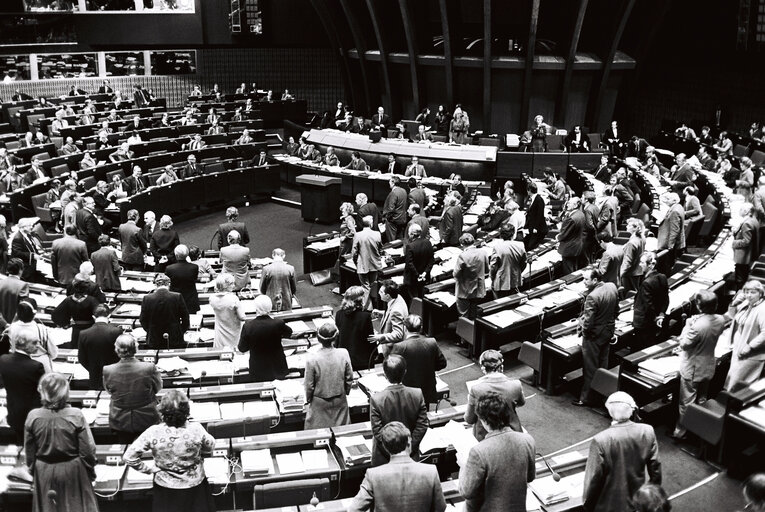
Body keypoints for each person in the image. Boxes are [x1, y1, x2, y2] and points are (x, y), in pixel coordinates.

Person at [123, 390, 216, 512]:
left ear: (162, 411)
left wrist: (148, 470)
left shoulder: (153, 432)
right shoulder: (196, 429)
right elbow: (210, 447)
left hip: (165, 488)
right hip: (195, 487)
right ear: (187, 410)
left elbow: (129, 457)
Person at [24, 373, 99, 512]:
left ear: (42, 391)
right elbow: (88, 450)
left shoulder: (33, 416)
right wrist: (90, 472)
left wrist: (34, 471)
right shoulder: (76, 414)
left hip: (44, 470)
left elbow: (29, 452)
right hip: (73, 469)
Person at [583, 391, 662, 512]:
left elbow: (594, 479)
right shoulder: (647, 431)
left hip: (608, 505)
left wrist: (587, 505)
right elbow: (655, 469)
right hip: (637, 500)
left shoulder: (601, 440)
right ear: (631, 410)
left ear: (610, 412)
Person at [459, 392, 536, 512]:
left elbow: (466, 491)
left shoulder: (479, 451)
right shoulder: (528, 440)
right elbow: (530, 477)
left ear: (483, 420)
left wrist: (463, 466)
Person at [350, 422, 446, 512]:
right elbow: (441, 508)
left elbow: (354, 509)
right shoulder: (431, 472)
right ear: (409, 443)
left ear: (385, 447)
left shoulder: (373, 475)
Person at [668, 290, 725, 439]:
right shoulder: (720, 320)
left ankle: (680, 432)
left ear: (699, 306)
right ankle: (697, 428)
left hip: (692, 367)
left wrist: (687, 325)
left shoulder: (697, 326)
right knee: (701, 399)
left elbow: (684, 344)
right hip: (708, 365)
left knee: (686, 402)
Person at [369, 355, 428, 467]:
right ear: (405, 372)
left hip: (384, 459)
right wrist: (408, 449)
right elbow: (422, 426)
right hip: (410, 456)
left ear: (385, 375)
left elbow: (377, 431)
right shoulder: (417, 394)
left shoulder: (376, 399)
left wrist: (392, 452)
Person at [103, 334, 162, 444]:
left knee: (126, 453)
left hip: (120, 419)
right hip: (147, 417)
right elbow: (158, 387)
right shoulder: (149, 367)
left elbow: (108, 390)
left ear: (117, 350)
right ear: (136, 348)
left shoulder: (108, 370)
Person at [573, 269, 619, 407]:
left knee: (590, 368)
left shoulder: (592, 297)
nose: (584, 282)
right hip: (608, 331)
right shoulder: (612, 287)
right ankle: (602, 395)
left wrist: (583, 332)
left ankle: (586, 398)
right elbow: (616, 310)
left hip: (594, 336)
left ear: (595, 280)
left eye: (586, 279)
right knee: (603, 365)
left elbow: (588, 323)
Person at [465, 350, 524, 441]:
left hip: (485, 437)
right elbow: (521, 403)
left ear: (483, 368)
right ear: (502, 367)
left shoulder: (475, 389)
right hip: (514, 434)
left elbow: (469, 419)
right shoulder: (516, 385)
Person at [304, 323, 354, 429]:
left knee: (318, 436)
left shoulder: (312, 359)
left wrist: (308, 400)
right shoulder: (344, 353)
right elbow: (349, 378)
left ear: (318, 339)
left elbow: (309, 385)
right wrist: (345, 392)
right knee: (342, 434)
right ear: (335, 338)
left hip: (319, 403)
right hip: (339, 399)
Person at [390, 315, 447, 407]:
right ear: (421, 328)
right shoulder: (431, 342)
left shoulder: (399, 347)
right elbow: (442, 363)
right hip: (425, 390)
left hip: (406, 392)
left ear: (405, 328)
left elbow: (392, 370)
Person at [0, 333, 44, 442]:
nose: (37, 345)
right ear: (24, 345)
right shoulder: (36, 366)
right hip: (33, 415)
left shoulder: (3, 360)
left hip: (13, 412)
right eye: (34, 343)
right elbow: (43, 391)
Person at [238, 295, 292, 381]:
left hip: (258, 370)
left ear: (256, 308)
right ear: (270, 307)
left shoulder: (248, 326)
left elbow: (242, 348)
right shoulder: (278, 323)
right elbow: (289, 333)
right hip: (278, 367)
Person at [725, 280, 765, 393]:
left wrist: (750, 346)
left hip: (752, 353)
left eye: (752, 292)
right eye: (746, 292)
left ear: (760, 293)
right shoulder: (746, 303)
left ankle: (732, 406)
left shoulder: (763, 309)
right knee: (732, 379)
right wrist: (733, 303)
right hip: (739, 346)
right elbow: (733, 317)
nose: (748, 295)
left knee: (739, 385)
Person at [140, 273, 190, 349]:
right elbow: (186, 318)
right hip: (175, 337)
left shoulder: (147, 298)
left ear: (156, 285)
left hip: (154, 338)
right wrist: (179, 331)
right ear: (169, 284)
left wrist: (151, 330)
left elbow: (143, 320)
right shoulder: (177, 296)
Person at [77, 305, 121, 390]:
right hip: (115, 375)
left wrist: (93, 369)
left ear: (93, 317)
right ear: (109, 316)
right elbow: (121, 354)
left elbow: (81, 358)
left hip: (95, 377)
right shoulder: (116, 331)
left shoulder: (83, 334)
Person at [632, 252, 669, 351]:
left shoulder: (646, 283)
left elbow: (648, 306)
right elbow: (666, 299)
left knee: (639, 349)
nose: (640, 265)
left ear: (651, 265)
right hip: (654, 321)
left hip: (644, 324)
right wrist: (661, 315)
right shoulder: (663, 277)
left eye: (642, 263)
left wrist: (655, 318)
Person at [7, 301, 56, 373]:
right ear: (33, 314)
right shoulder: (42, 329)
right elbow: (53, 352)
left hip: (19, 363)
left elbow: (12, 349)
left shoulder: (12, 328)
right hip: (40, 361)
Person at [335, 286, 375, 370]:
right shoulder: (365, 316)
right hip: (362, 359)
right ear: (360, 300)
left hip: (344, 358)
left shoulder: (339, 314)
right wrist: (375, 355)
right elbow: (370, 338)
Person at [52, 279, 99, 350]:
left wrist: (65, 323)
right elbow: (100, 313)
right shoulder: (91, 300)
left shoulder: (68, 300)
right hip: (90, 328)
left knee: (77, 348)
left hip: (76, 329)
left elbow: (56, 313)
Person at [352, 216, 383, 309]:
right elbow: (380, 248)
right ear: (371, 224)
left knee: (365, 286)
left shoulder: (358, 235)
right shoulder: (377, 234)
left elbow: (354, 252)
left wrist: (356, 262)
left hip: (362, 265)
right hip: (374, 264)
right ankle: (370, 307)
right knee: (371, 285)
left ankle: (364, 308)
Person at [454, 233, 488, 320]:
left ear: (462, 244)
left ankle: (464, 332)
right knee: (474, 315)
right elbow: (487, 270)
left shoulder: (462, 256)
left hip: (464, 290)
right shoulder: (483, 252)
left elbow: (456, 274)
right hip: (478, 289)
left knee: (463, 316)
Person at [370, 280, 408, 355]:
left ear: (387, 296)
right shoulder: (397, 298)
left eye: (381, 292)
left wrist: (381, 337)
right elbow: (391, 314)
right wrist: (380, 313)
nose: (378, 293)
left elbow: (398, 334)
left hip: (392, 350)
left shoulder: (396, 311)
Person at [487, 225, 526, 298]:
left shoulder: (497, 247)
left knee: (499, 303)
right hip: (515, 279)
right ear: (513, 234)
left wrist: (492, 278)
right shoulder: (521, 245)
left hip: (500, 281)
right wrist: (517, 272)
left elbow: (493, 266)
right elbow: (523, 263)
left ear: (501, 235)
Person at [209, 273, 246, 350]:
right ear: (226, 286)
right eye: (232, 283)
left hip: (220, 331)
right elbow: (242, 317)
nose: (234, 285)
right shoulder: (233, 299)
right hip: (233, 331)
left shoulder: (212, 298)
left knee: (222, 351)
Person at [403, 223, 434, 304]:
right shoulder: (428, 243)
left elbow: (409, 263)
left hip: (412, 278)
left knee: (413, 300)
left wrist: (417, 275)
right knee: (421, 297)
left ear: (412, 234)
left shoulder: (410, 246)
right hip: (424, 277)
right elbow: (431, 260)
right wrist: (424, 273)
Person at [165, 244, 200, 314]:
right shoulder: (194, 267)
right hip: (190, 300)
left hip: (175, 300)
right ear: (187, 255)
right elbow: (194, 279)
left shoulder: (169, 268)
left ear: (176, 255)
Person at [260, 248, 296, 312]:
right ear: (284, 256)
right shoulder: (291, 268)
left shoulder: (266, 269)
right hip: (286, 301)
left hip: (270, 302)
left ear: (273, 255)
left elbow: (262, 289)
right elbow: (293, 289)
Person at [733, 203, 760, 289]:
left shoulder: (747, 223)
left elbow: (746, 241)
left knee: (740, 279)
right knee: (742, 275)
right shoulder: (753, 220)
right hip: (749, 255)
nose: (739, 211)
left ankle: (738, 295)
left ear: (746, 211)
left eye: (741, 209)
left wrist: (734, 243)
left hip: (743, 257)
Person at [558, 197, 587, 273]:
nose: (567, 204)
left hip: (569, 248)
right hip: (577, 246)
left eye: (569, 203)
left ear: (575, 205)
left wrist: (557, 237)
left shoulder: (571, 218)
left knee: (568, 271)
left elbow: (563, 235)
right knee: (574, 268)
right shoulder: (581, 214)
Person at [621, 218, 646, 292]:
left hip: (630, 274)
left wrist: (619, 275)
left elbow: (627, 263)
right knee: (635, 291)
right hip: (638, 270)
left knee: (630, 293)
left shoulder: (631, 243)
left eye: (629, 225)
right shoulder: (642, 237)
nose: (626, 227)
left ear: (635, 228)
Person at [0, 258, 29, 322]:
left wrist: (4, 324)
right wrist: (11, 326)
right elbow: (22, 310)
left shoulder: (1, 283)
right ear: (20, 270)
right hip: (14, 326)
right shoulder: (23, 285)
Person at [524, 180, 548, 250]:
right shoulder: (532, 198)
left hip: (538, 228)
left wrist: (536, 228)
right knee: (526, 244)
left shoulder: (539, 200)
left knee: (530, 246)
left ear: (529, 190)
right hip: (531, 226)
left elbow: (540, 215)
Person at [382, 176, 407, 242]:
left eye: (389, 182)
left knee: (391, 240)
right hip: (402, 218)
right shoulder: (404, 191)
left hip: (393, 220)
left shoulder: (393, 193)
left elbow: (391, 209)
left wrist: (387, 218)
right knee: (399, 240)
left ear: (393, 183)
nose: (389, 183)